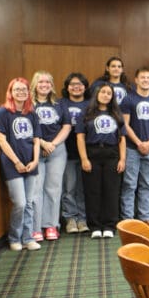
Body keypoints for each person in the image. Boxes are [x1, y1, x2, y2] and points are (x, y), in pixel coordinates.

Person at [0, 78, 41, 251]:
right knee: (20, 203)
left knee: (29, 202)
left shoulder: (32, 113)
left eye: (24, 89)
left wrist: (35, 160)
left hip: (31, 163)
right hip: (12, 165)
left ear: (29, 92)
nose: (21, 92)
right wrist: (16, 162)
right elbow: (1, 139)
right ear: (11, 92)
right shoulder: (2, 112)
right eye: (17, 89)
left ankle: (28, 237)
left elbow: (36, 140)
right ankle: (14, 237)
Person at [76, 83, 126, 238]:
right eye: (103, 92)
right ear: (96, 94)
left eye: (109, 93)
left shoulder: (116, 114)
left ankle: (110, 225)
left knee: (111, 191)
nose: (106, 95)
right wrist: (84, 158)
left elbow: (122, 139)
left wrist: (122, 159)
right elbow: (80, 137)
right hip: (92, 153)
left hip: (112, 154)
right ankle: (95, 226)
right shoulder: (86, 113)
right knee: (93, 191)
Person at [28, 71, 71, 242]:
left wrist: (52, 144)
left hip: (57, 150)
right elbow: (27, 127)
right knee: (36, 189)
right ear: (35, 85)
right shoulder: (28, 105)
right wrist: (43, 144)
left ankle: (51, 225)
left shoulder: (60, 103)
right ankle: (35, 227)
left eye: (47, 82)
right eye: (41, 82)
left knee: (54, 188)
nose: (44, 85)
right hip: (35, 149)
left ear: (52, 85)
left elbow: (66, 126)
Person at [120, 68, 149, 224]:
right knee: (129, 184)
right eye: (142, 77)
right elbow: (125, 124)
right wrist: (139, 143)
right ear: (136, 80)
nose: (146, 80)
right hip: (132, 148)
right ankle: (128, 218)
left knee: (147, 183)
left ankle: (145, 217)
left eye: (148, 78)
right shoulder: (128, 100)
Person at [60, 72, 90, 233]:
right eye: (72, 84)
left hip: (87, 152)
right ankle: (70, 218)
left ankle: (82, 218)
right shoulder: (60, 103)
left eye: (79, 84)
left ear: (85, 87)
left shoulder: (91, 104)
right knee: (69, 187)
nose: (76, 87)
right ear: (67, 87)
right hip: (67, 151)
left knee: (83, 188)